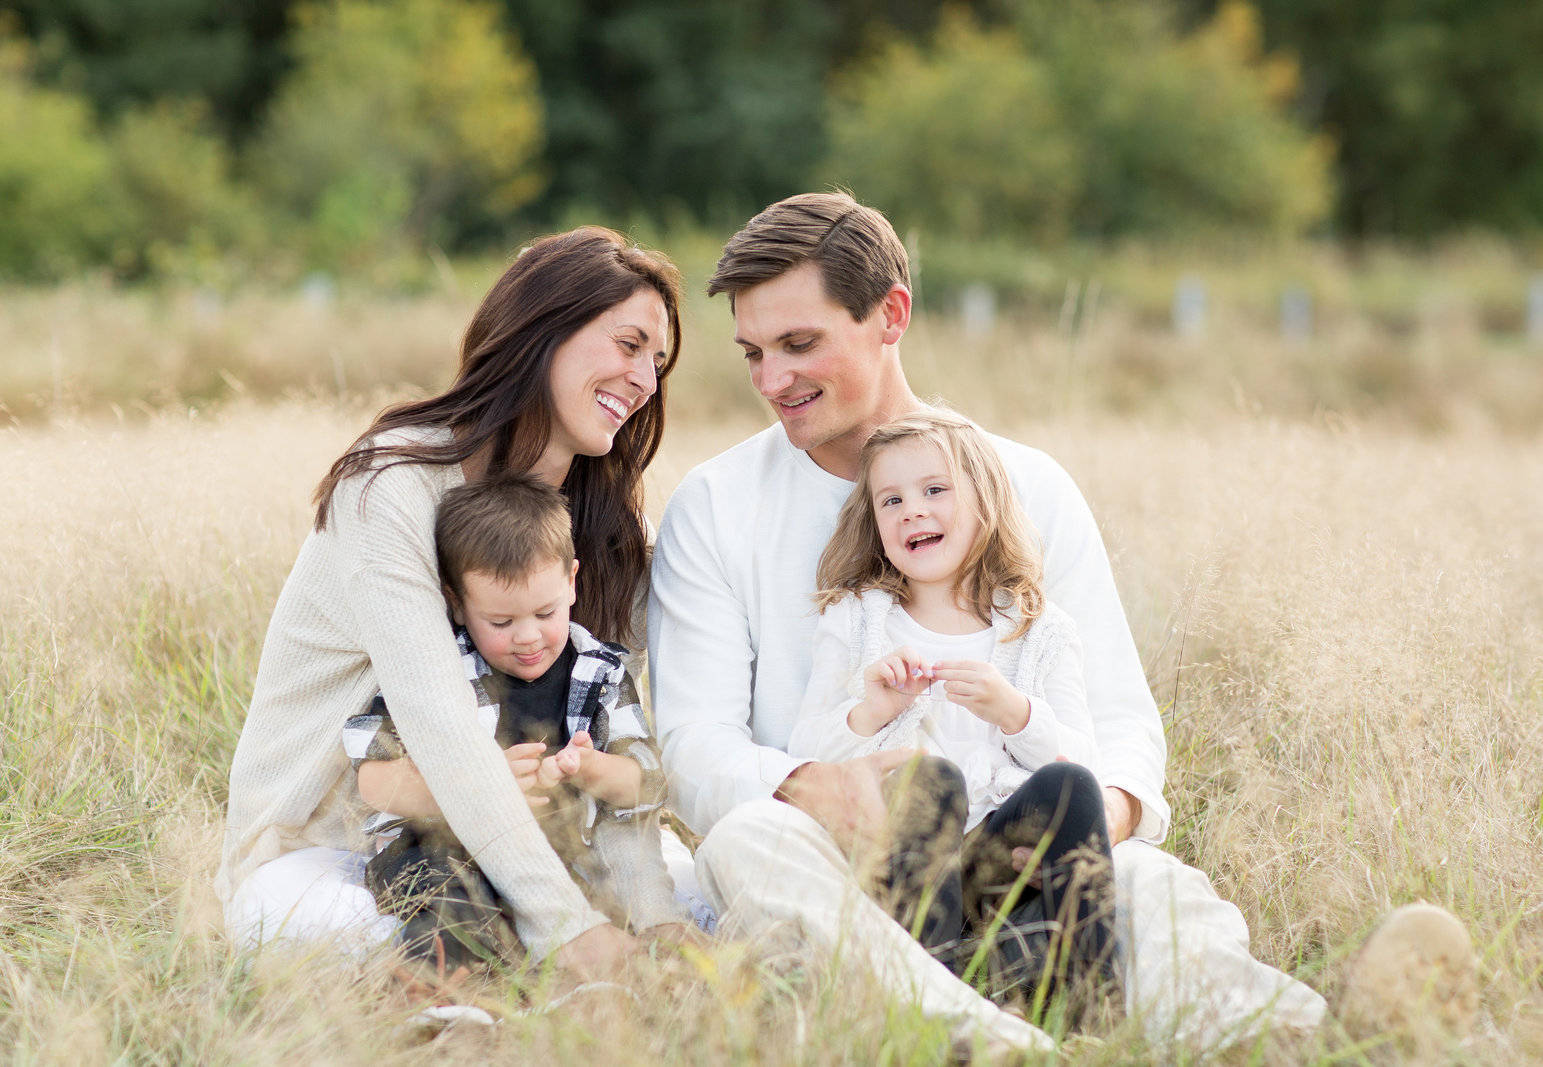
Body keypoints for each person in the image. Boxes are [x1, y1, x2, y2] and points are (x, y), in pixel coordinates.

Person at [647, 192, 1328, 1054]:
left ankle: (1309, 1035)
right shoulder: (716, 503)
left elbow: (1119, 721)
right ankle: (989, 1042)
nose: (771, 380)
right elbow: (693, 745)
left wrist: (1082, 826)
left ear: (890, 314)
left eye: (800, 343)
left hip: (1022, 848)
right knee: (748, 840)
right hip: (838, 856)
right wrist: (817, 788)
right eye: (753, 353)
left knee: (1158, 886)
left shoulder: (1029, 485)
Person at [218, 226, 685, 988]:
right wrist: (570, 927)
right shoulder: (390, 484)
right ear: (544, 330)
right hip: (344, 850)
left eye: (658, 362)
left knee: (706, 901)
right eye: (629, 344)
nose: (645, 380)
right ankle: (500, 967)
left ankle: (536, 948)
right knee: (330, 932)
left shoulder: (604, 523)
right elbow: (439, 727)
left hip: (547, 846)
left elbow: (656, 710)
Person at [787, 408, 1116, 1008]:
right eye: (891, 500)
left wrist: (1016, 713)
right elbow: (806, 755)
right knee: (928, 777)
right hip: (901, 864)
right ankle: (929, 995)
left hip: (997, 863)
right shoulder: (857, 619)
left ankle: (1096, 1001)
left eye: (935, 490)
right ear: (876, 522)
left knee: (1069, 783)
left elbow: (1088, 765)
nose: (912, 508)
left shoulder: (1040, 631)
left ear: (985, 503)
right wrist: (873, 710)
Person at [344, 472, 687, 975]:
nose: (527, 637)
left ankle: (643, 956)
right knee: (449, 895)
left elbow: (645, 783)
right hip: (444, 851)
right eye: (501, 623)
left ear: (572, 581)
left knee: (627, 859)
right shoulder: (439, 668)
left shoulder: (600, 671)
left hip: (565, 857)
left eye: (545, 612)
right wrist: (476, 787)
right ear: (457, 603)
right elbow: (373, 778)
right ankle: (442, 988)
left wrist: (588, 768)